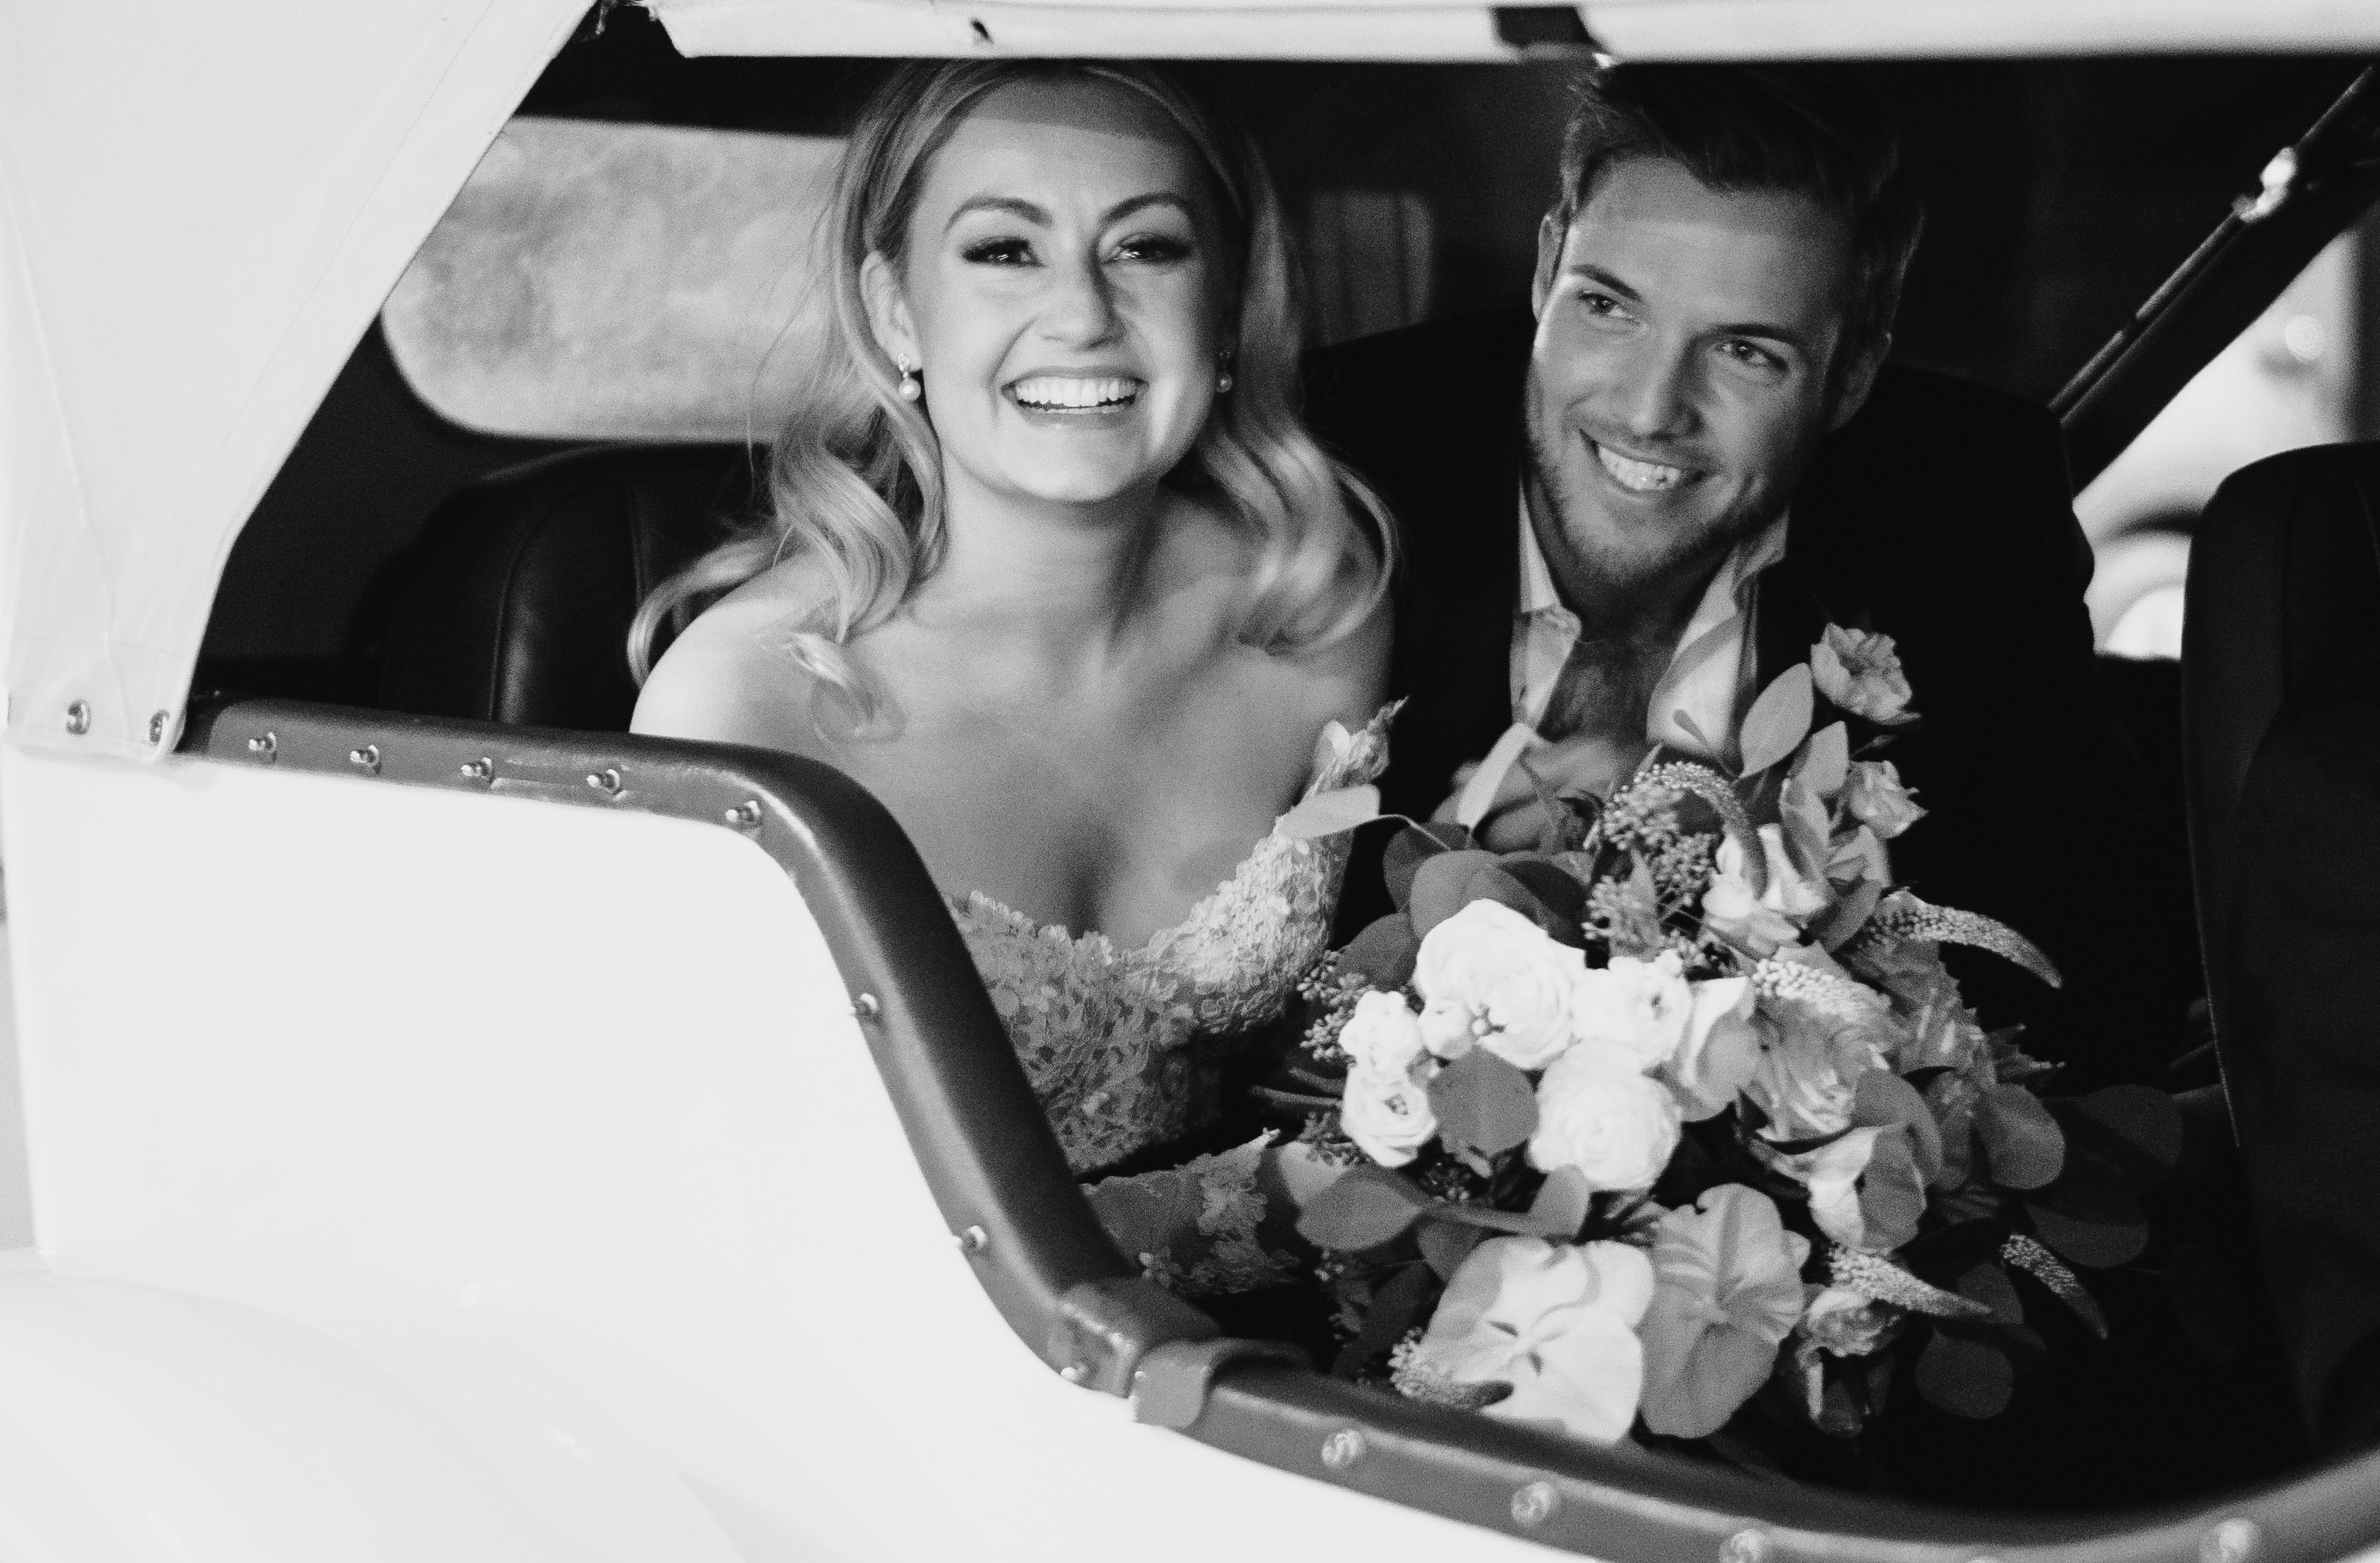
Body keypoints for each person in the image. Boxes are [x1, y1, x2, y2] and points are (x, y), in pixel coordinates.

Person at [1313, 60, 2190, 1095]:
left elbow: (2112, 973)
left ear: (1853, 370)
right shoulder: (1338, 462)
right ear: (1548, 268)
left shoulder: (1968, 500)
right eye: (1609, 307)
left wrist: (1784, 890)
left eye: (1744, 351)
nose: (1650, 410)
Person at [631, 60, 1394, 1176]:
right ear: (896, 312)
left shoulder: (1314, 611)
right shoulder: (745, 707)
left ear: (1226, 305)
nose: (1084, 314)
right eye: (1003, 250)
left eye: (1146, 247)